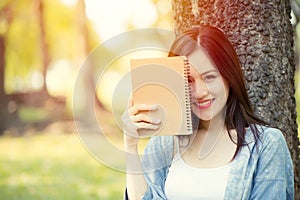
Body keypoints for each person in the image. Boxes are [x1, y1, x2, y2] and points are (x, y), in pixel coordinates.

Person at [122, 25, 294, 200]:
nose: (200, 92)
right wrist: (130, 145)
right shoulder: (163, 144)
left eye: (210, 77)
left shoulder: (266, 144)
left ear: (229, 76)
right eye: (188, 80)